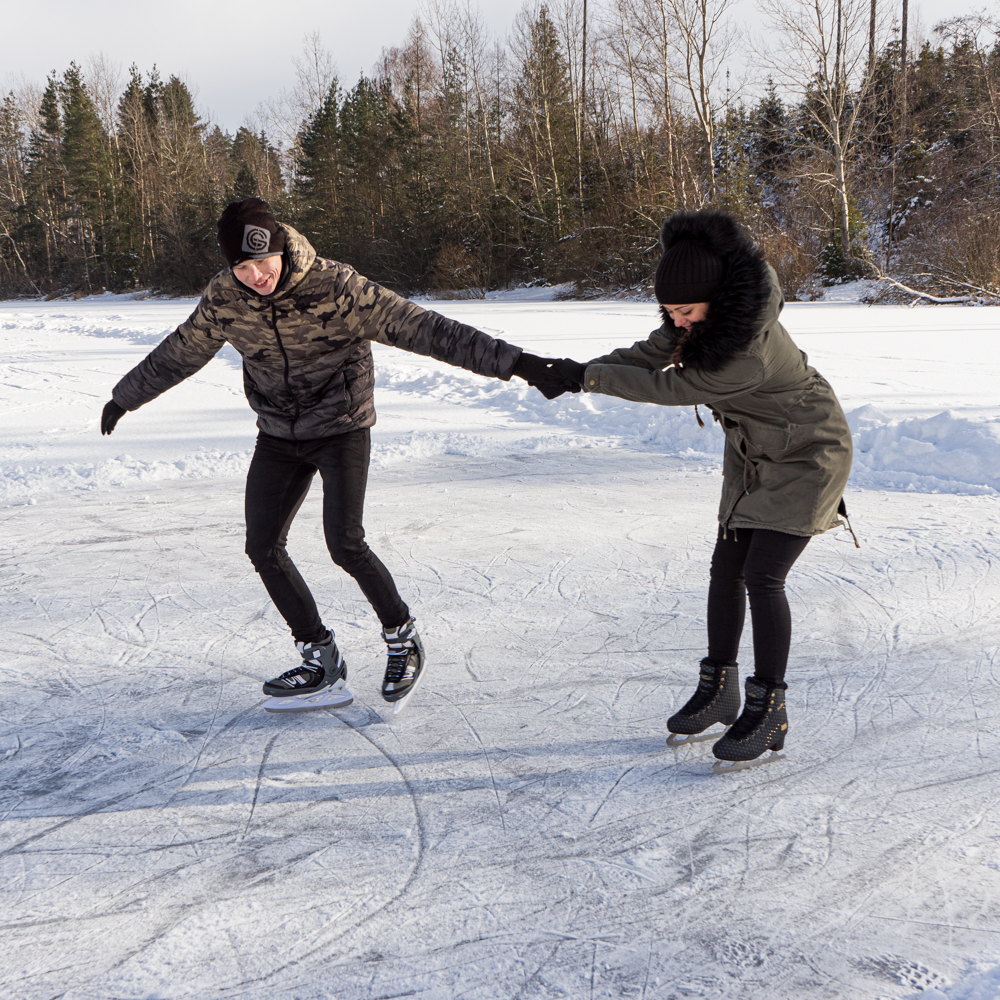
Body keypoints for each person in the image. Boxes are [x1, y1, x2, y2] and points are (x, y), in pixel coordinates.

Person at [101, 198, 565, 714]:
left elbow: (426, 329)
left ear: (280, 246)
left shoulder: (338, 288)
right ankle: (320, 658)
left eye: (264, 261)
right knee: (262, 546)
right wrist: (125, 397)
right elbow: (181, 350)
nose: (256, 275)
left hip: (341, 426)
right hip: (278, 432)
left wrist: (519, 363)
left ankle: (402, 636)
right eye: (243, 266)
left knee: (345, 544)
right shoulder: (225, 299)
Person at [545, 209, 855, 771]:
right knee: (725, 570)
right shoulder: (702, 316)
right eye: (669, 312)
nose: (677, 322)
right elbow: (649, 356)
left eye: (684, 312)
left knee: (764, 576)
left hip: (809, 454)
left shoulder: (747, 352)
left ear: (715, 297)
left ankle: (768, 711)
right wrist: (576, 371)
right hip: (754, 454)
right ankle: (719, 690)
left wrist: (587, 378)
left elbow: (672, 385)